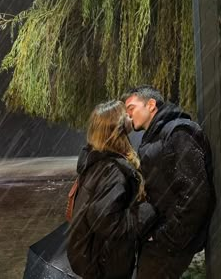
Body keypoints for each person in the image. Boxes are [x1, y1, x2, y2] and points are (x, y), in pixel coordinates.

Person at [122, 85, 216, 279]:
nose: (128, 115)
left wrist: (164, 238)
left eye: (131, 108)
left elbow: (195, 197)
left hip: (170, 244)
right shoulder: (156, 136)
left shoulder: (179, 133)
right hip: (159, 238)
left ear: (151, 105)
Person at [67, 100, 157, 279]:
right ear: (118, 128)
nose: (130, 117)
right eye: (126, 115)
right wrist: (146, 212)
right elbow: (108, 223)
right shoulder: (111, 171)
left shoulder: (94, 162)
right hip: (106, 267)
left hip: (95, 260)